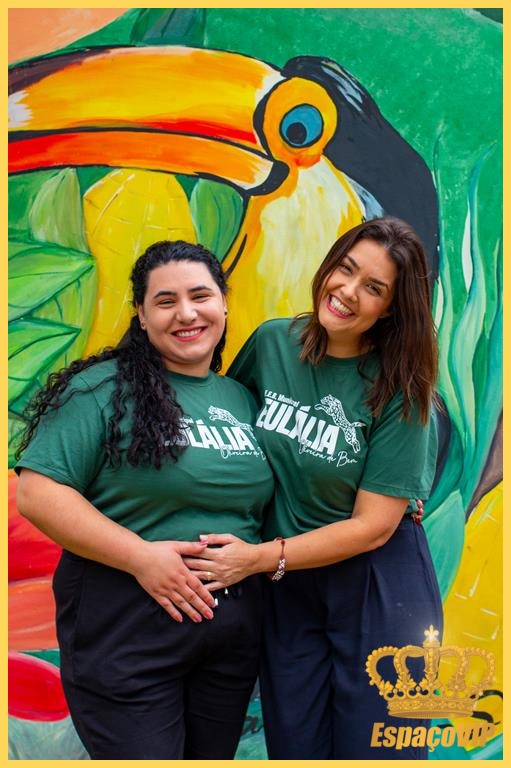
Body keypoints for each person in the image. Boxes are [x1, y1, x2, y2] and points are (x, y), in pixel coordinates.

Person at [184, 217, 444, 760]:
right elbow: (221, 430)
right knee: (295, 747)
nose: (347, 291)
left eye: (373, 287)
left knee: (378, 752)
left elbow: (373, 527)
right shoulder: (272, 344)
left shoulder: (401, 386)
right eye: (345, 269)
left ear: (390, 309)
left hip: (376, 581)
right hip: (289, 587)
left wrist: (257, 558)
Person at [14, 240, 274, 760]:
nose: (186, 313)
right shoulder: (99, 391)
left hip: (228, 641)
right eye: (165, 301)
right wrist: (142, 558)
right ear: (141, 313)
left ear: (223, 303)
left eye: (200, 296)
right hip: (127, 634)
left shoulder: (241, 398)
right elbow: (37, 493)